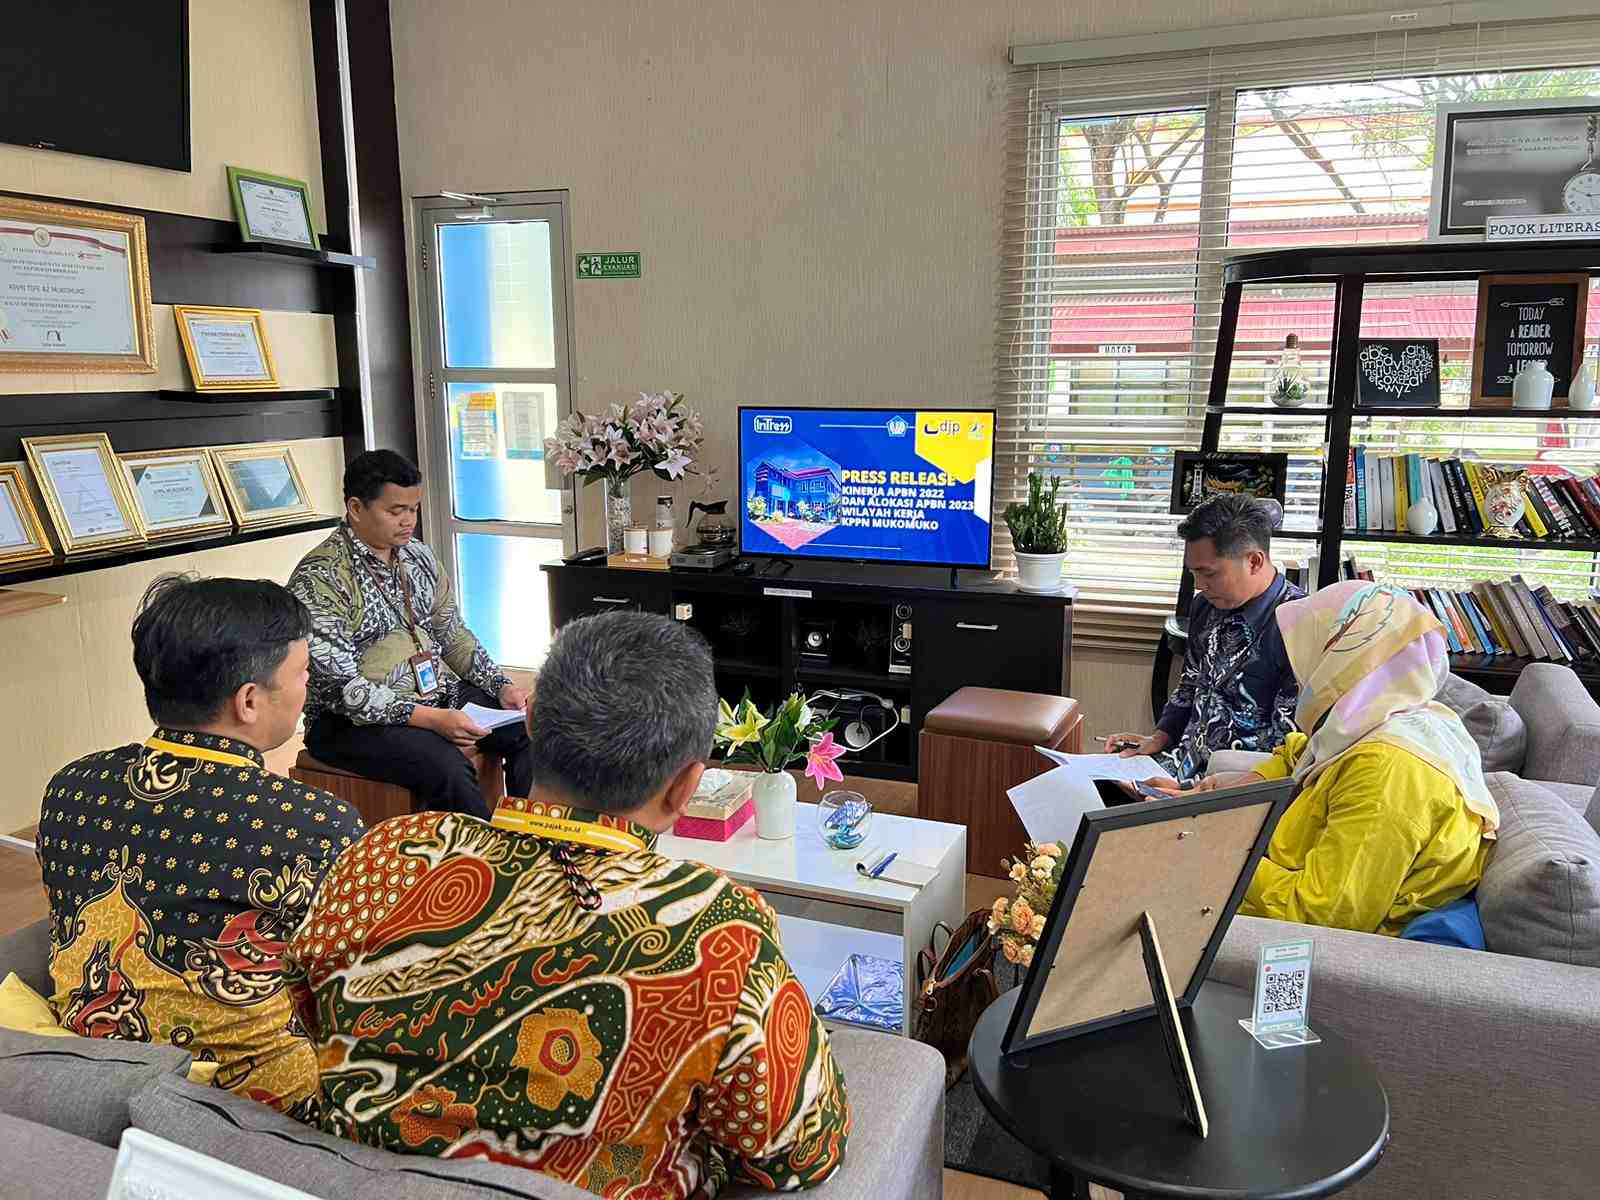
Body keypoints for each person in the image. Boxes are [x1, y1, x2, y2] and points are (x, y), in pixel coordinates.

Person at [286, 611, 850, 1199]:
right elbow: (802, 1151)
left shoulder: (383, 855)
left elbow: (310, 1014)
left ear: (529, 722)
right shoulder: (720, 933)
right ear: (686, 788)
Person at [35, 576, 364, 1117]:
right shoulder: (313, 824)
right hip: (258, 1106)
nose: (309, 686)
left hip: (90, 1080)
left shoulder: (71, 786)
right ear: (249, 701)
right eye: (303, 672)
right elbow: (359, 984)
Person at [1174, 580, 1499, 937]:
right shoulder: (1397, 713)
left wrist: (1209, 846)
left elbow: (1321, 914)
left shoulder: (1388, 772)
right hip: (1271, 878)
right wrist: (1222, 798)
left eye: (1313, 650)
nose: (1301, 670)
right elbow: (1298, 752)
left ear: (1344, 658)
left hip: (1299, 931)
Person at [288, 449, 533, 817]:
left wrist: (501, 687)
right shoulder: (321, 577)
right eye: (395, 511)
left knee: (530, 730)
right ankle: (482, 852)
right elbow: (343, 689)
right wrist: (431, 719)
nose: (408, 521)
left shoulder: (417, 555)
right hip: (348, 722)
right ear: (356, 508)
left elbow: (452, 634)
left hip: (435, 694)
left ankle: (531, 836)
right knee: (447, 768)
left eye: (414, 509)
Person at [1105, 493, 1303, 782]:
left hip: (1237, 788)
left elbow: (1288, 751)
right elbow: (1189, 684)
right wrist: (1158, 737)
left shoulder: (1298, 625)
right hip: (1180, 767)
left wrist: (1191, 793)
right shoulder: (1205, 607)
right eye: (1193, 573)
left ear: (1254, 561)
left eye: (1208, 573)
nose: (1199, 585)